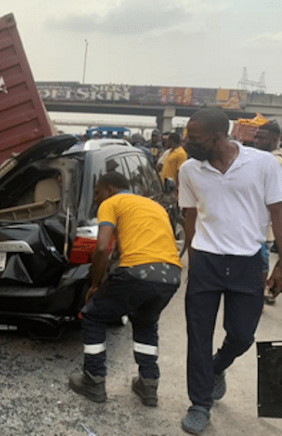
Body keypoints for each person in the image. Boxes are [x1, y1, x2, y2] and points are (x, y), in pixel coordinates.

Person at [178, 108, 282, 434]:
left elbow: (278, 213)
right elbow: (190, 215)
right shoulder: (189, 169)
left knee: (241, 335)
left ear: (217, 137)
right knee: (198, 336)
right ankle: (199, 402)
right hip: (206, 260)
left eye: (193, 138)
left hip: (249, 261)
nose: (186, 143)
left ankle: (216, 367)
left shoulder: (262, 165)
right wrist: (192, 257)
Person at [69, 172, 182, 407]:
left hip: (138, 271)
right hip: (171, 275)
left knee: (93, 315)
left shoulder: (112, 203)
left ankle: (93, 380)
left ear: (109, 189)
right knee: (145, 322)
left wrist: (96, 284)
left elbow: (101, 249)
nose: (97, 198)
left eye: (98, 192)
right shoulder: (154, 206)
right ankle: (148, 384)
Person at [254, 121, 282, 305]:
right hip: (265, 221)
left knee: (260, 261)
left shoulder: (274, 161)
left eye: (261, 138)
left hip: (268, 222)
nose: (256, 141)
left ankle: (262, 291)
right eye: (256, 137)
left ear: (274, 139)